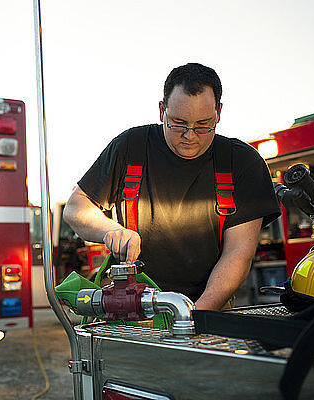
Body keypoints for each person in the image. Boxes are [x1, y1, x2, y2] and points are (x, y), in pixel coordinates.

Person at [63, 63, 281, 310]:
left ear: (219, 113)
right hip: (133, 310)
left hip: (209, 307)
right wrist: (110, 230)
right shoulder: (130, 148)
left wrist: (197, 314)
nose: (190, 136)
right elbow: (75, 208)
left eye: (203, 125)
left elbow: (238, 253)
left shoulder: (242, 163)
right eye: (178, 123)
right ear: (161, 110)